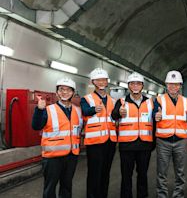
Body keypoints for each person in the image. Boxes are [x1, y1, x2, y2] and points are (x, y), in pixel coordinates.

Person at [32, 77, 83, 198]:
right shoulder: (48, 110)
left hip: (71, 156)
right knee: (50, 188)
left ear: (73, 93)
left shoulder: (78, 111)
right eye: (61, 90)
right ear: (57, 92)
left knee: (67, 187)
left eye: (68, 90)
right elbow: (36, 126)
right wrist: (39, 110)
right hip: (52, 158)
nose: (64, 92)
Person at [111, 72, 154, 198]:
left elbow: (155, 123)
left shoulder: (150, 102)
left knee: (143, 175)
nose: (135, 86)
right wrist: (118, 113)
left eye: (138, 83)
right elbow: (113, 116)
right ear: (129, 86)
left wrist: (153, 143)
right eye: (132, 84)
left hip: (145, 145)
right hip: (127, 146)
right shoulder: (121, 102)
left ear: (142, 86)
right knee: (126, 175)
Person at [153, 70, 187, 198]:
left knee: (180, 172)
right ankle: (162, 195)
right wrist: (155, 115)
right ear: (166, 85)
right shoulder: (158, 100)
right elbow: (153, 114)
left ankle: (178, 195)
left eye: (176, 84)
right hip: (163, 141)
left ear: (180, 85)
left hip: (181, 141)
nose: (173, 87)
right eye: (170, 84)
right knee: (161, 172)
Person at [81, 68, 117, 198]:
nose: (102, 82)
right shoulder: (87, 99)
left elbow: (115, 116)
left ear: (107, 82)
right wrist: (93, 109)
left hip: (110, 142)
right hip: (95, 143)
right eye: (98, 80)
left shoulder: (113, 101)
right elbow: (84, 111)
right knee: (94, 173)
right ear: (93, 82)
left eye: (104, 80)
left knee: (105, 172)